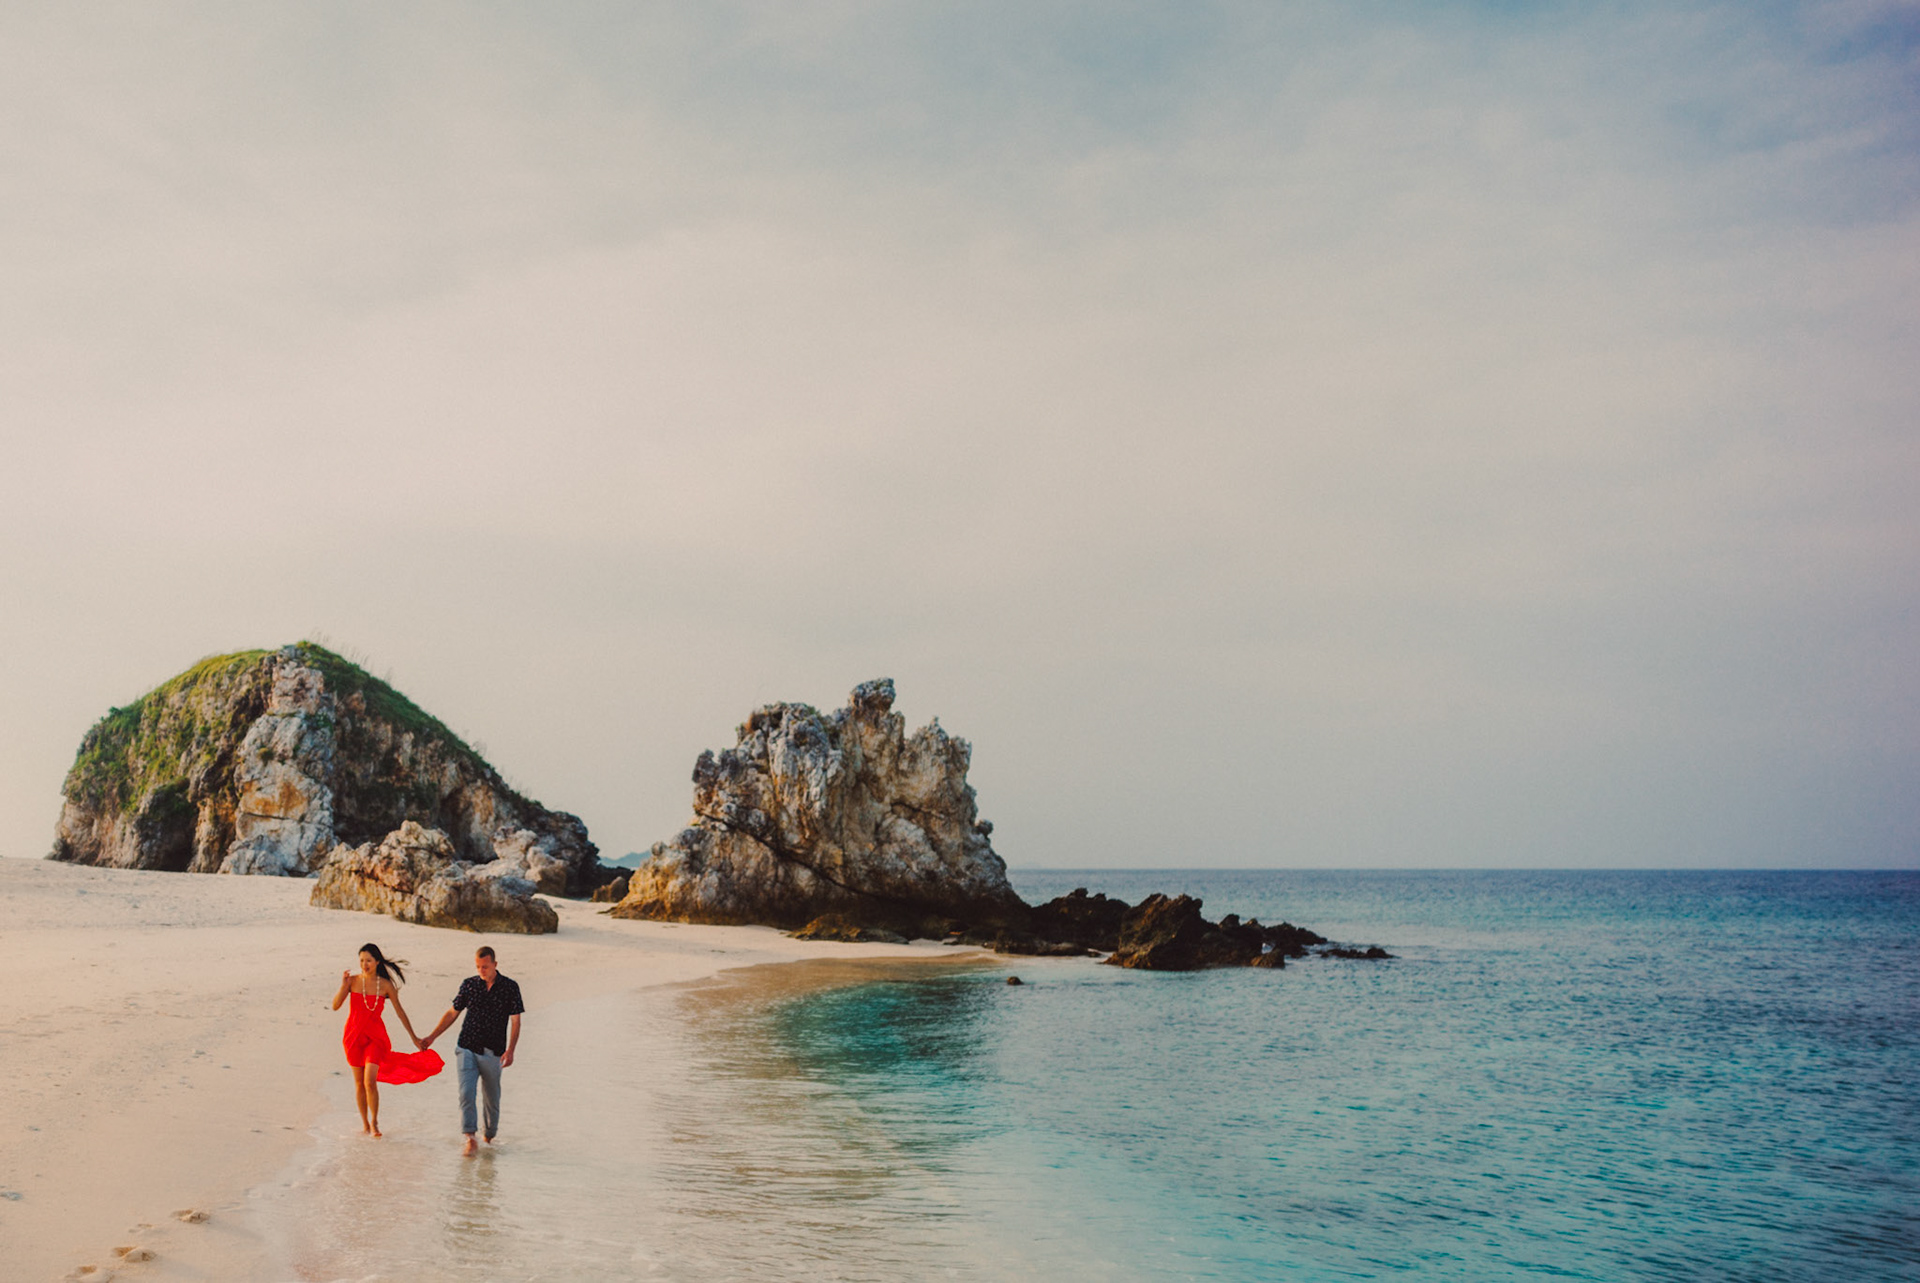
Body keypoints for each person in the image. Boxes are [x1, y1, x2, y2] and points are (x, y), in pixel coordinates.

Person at [420, 945, 524, 1156]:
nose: (481, 971)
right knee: (466, 1092)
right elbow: (453, 1012)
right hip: (466, 1046)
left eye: (485, 966)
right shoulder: (469, 985)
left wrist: (511, 1050)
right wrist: (432, 1036)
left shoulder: (510, 987)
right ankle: (470, 1138)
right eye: (478, 967)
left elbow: (516, 1021)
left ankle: (488, 1137)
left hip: (494, 1052)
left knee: (492, 1100)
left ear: (495, 964)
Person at [331, 943, 442, 1137]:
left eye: (368, 961)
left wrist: (414, 1037)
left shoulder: (386, 985)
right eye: (362, 961)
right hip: (353, 1037)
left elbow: (400, 1012)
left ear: (377, 962)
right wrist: (343, 985)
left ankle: (374, 1123)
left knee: (369, 1081)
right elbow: (335, 1006)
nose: (364, 964)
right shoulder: (352, 981)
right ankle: (364, 1124)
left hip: (375, 1038)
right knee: (359, 1083)